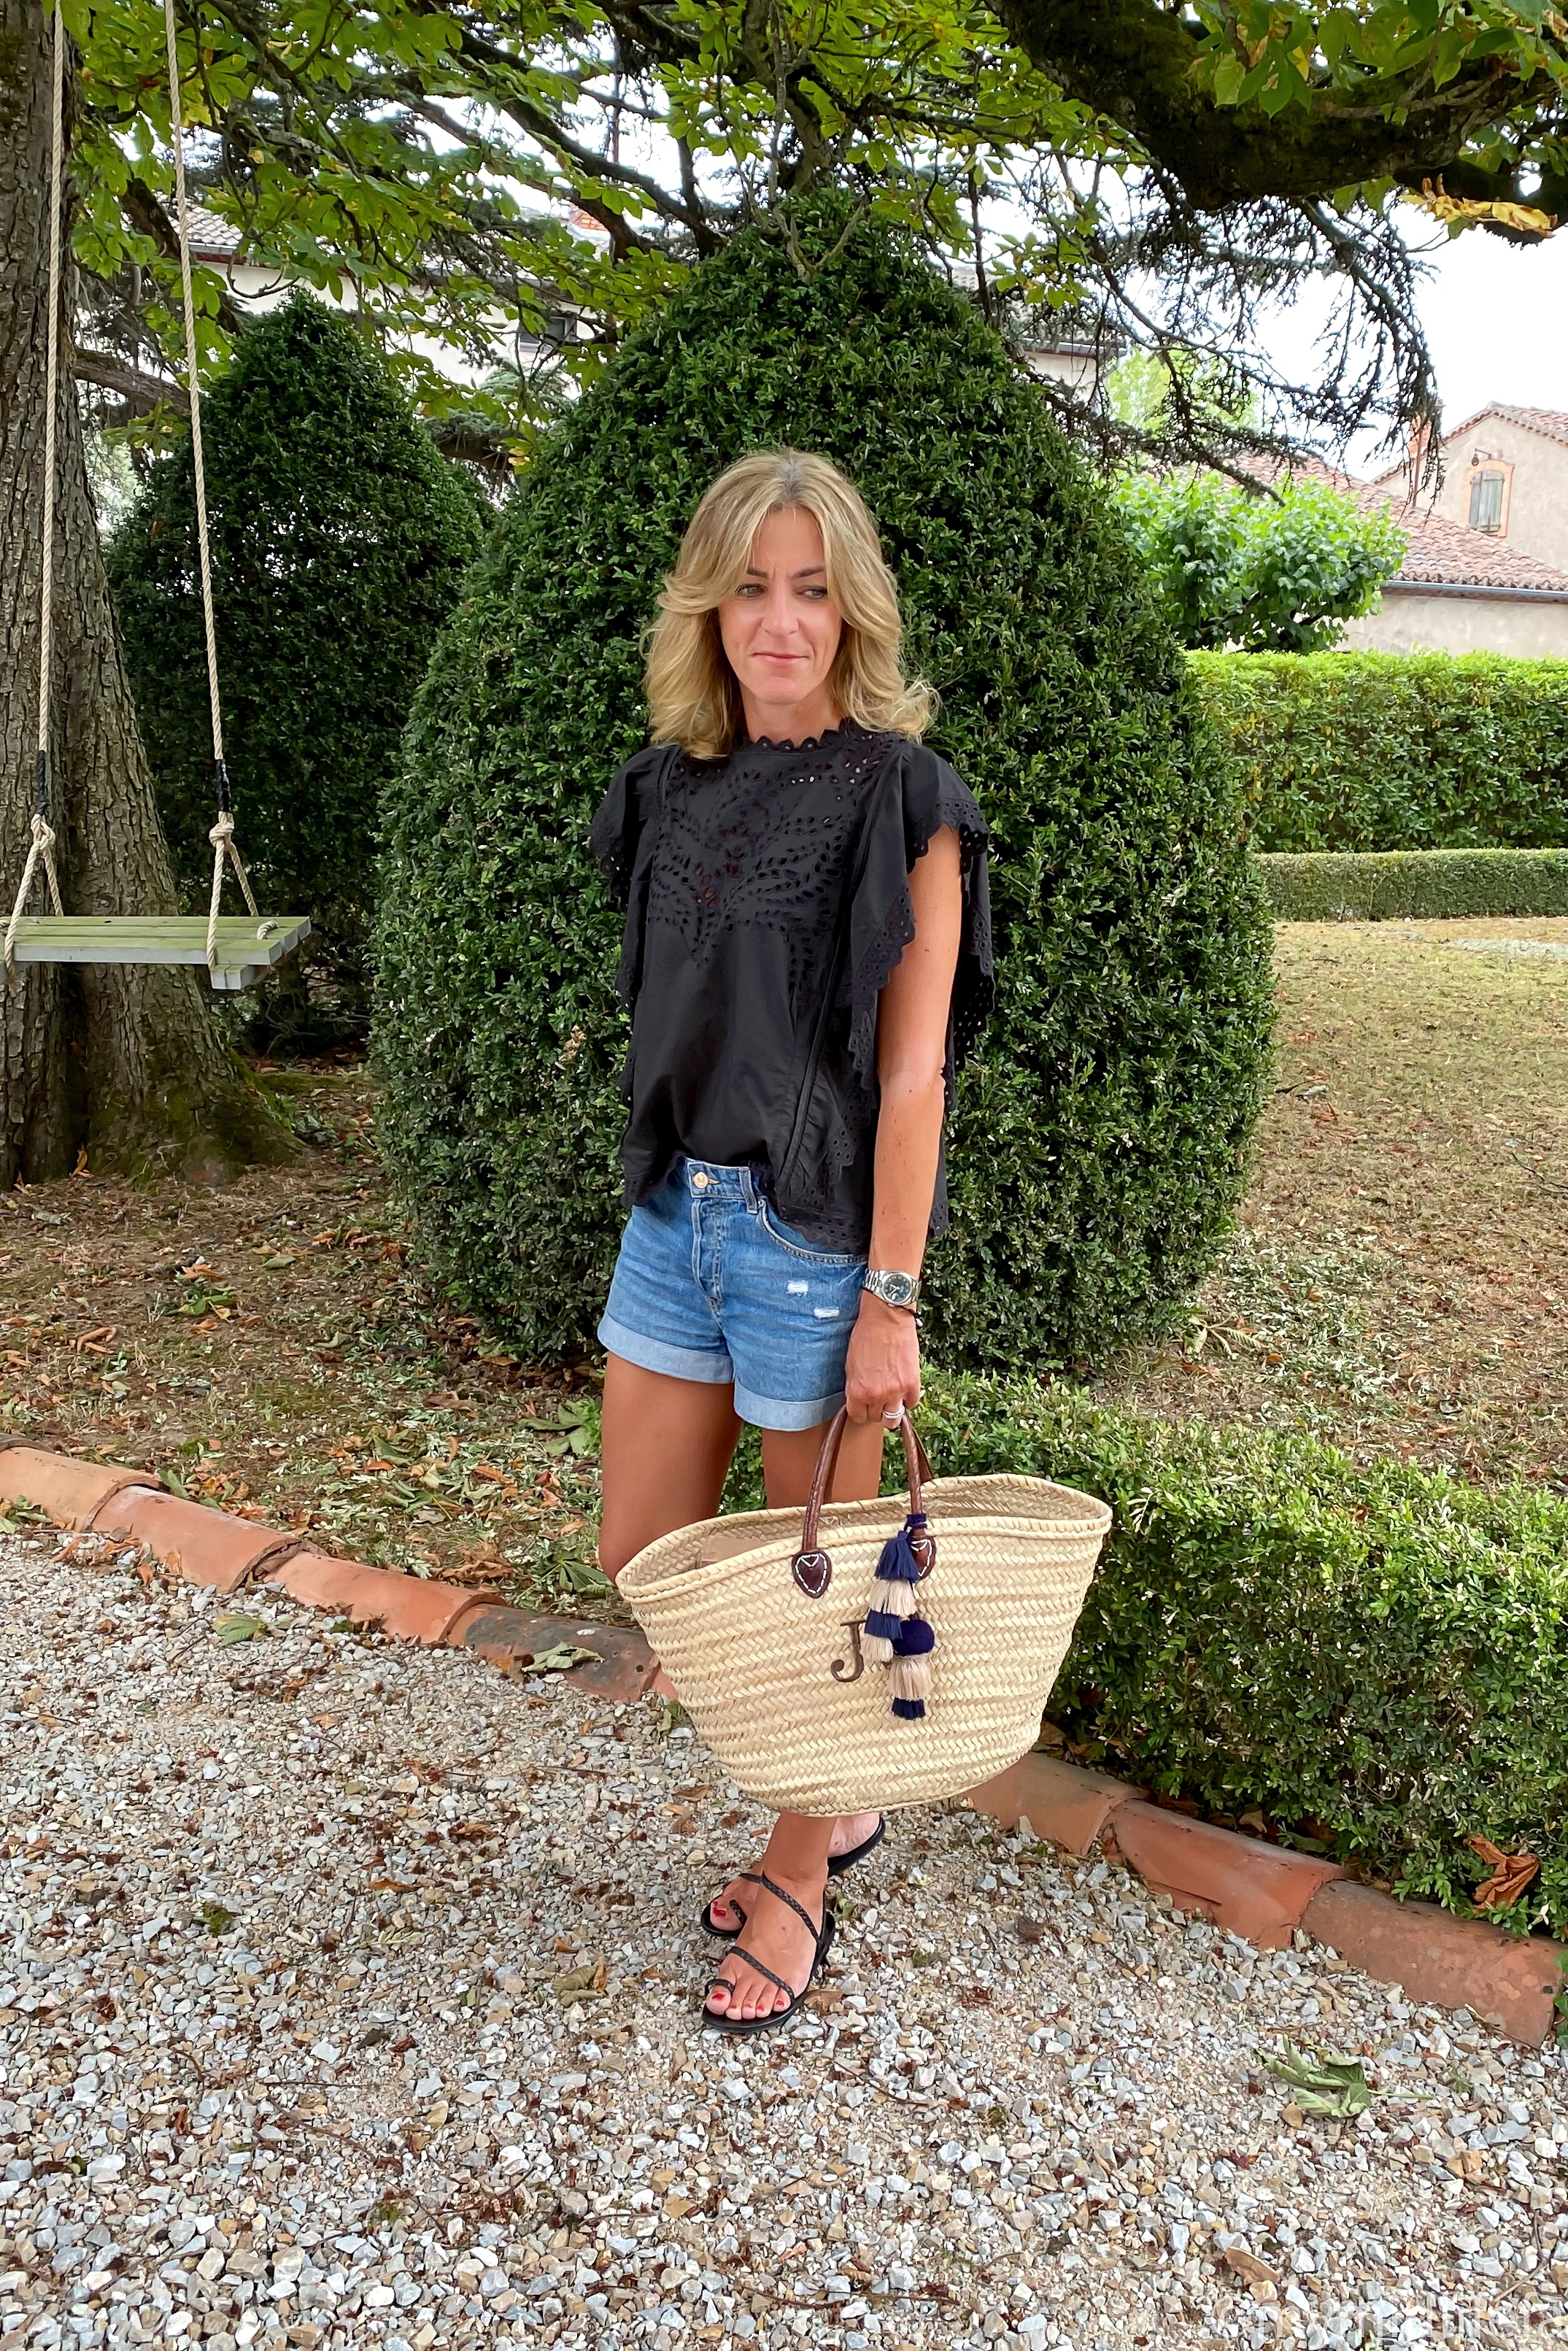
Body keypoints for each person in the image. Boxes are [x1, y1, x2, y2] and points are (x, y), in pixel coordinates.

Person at [589, 449, 994, 2036]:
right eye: (751, 586)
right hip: (669, 1220)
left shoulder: (901, 794)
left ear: (851, 611)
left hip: (808, 1240)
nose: (779, 620)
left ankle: (804, 1860)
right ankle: (840, 1799)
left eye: (811, 589)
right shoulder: (662, 786)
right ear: (709, 601)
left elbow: (911, 1070)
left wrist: (889, 1295)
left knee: (798, 1602)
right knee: (647, 1569)